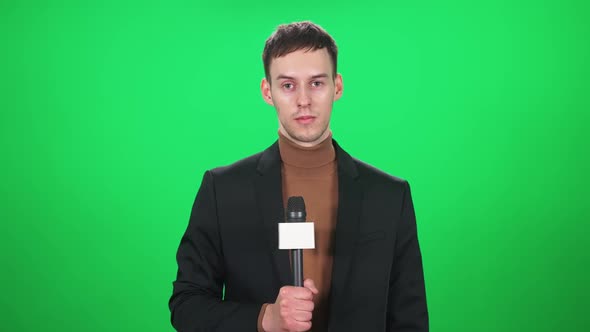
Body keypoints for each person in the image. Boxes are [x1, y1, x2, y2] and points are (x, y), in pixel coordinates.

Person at [169, 21, 428, 332]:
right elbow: (187, 305)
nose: (303, 100)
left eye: (317, 83)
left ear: (338, 86)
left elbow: (409, 320)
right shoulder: (222, 190)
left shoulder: (389, 196)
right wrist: (267, 318)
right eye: (288, 85)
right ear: (268, 91)